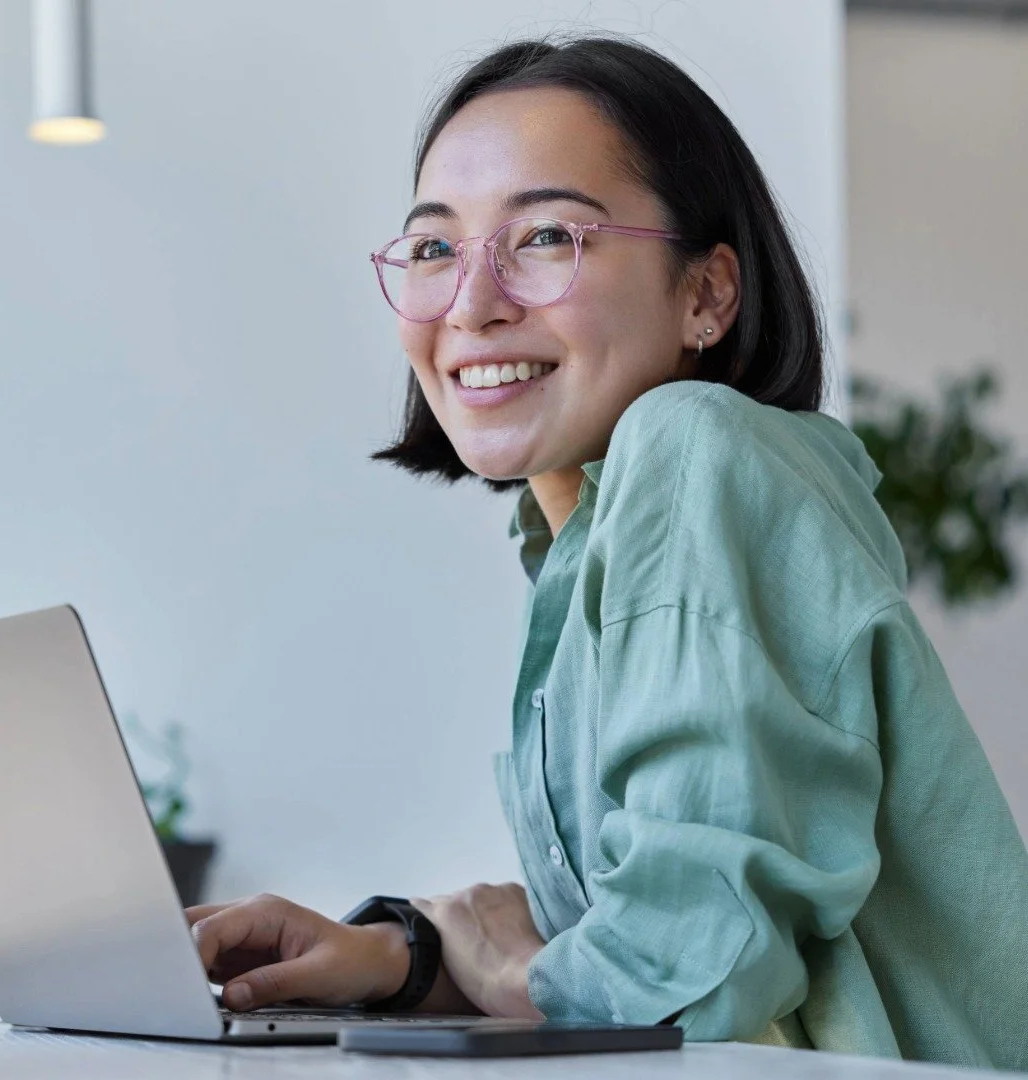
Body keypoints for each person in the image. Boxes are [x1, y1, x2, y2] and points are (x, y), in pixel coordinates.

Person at [187, 35, 1028, 1070]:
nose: (472, 301)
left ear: (708, 295)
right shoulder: (587, 541)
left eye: (544, 237)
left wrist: (503, 966)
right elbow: (637, 946)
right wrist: (400, 957)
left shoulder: (696, 449)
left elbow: (683, 981)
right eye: (436, 248)